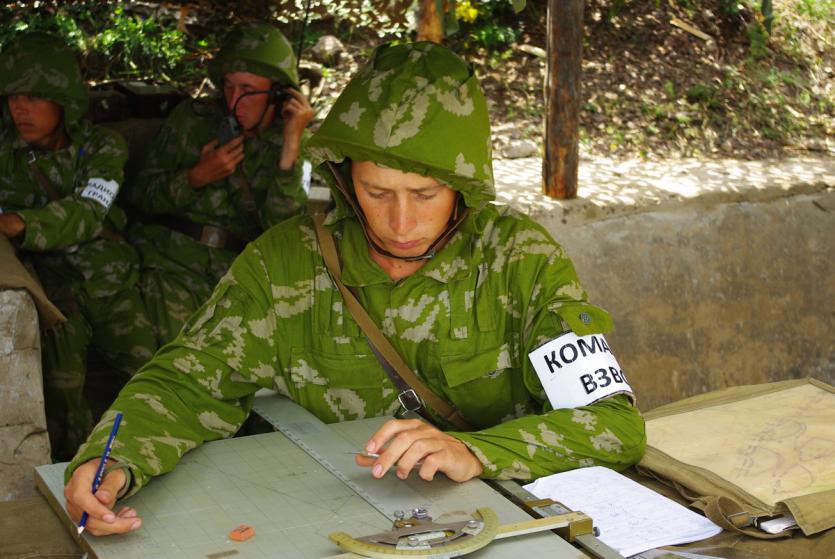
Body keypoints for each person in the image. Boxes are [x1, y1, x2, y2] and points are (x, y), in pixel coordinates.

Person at [63, 42, 646, 535]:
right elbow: (190, 381)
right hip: (343, 527)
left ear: (463, 191)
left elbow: (613, 422)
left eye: (425, 196)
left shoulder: (521, 260)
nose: (399, 223)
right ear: (343, 178)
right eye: (376, 192)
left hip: (504, 527)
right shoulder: (285, 263)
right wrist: (112, 458)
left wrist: (478, 451)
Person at [0, 33, 156, 460]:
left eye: (34, 96)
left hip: (110, 286)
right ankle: (81, 480)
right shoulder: (6, 150)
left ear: (63, 100)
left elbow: (90, 210)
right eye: (13, 96)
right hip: (56, 296)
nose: (20, 108)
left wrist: (19, 222)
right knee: (63, 406)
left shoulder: (103, 147)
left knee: (156, 378)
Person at [126, 23, 312, 347]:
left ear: (279, 93)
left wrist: (290, 151)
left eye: (247, 90)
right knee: (173, 354)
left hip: (237, 274)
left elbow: (284, 235)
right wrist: (194, 178)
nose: (234, 100)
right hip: (171, 261)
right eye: (228, 86)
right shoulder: (192, 120)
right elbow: (138, 196)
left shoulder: (293, 145)